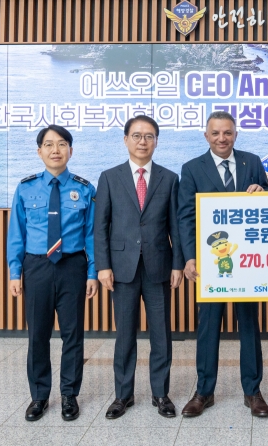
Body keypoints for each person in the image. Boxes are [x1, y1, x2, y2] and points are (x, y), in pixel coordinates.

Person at [178, 111, 268, 418]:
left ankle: (253, 391)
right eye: (215, 133)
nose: (222, 138)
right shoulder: (191, 169)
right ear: (206, 136)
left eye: (227, 133)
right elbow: (186, 217)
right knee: (208, 327)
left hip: (247, 263)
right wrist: (189, 256)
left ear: (235, 134)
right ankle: (204, 391)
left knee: (249, 325)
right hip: (209, 264)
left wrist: (263, 192)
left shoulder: (253, 162)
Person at [94, 115, 184, 419]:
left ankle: (161, 393)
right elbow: (100, 226)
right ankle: (123, 395)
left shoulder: (169, 178)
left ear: (156, 141)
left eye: (149, 136)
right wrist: (103, 266)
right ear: (125, 140)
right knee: (125, 335)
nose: (142, 141)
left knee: (161, 334)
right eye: (136, 136)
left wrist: (178, 265)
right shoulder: (109, 177)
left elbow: (176, 226)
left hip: (159, 266)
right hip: (121, 269)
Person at [7, 124, 98, 422]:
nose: (55, 150)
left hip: (73, 266)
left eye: (61, 144)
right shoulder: (26, 187)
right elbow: (16, 234)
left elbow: (91, 236)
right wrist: (14, 271)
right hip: (37, 267)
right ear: (39, 151)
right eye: (49, 144)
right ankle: (40, 396)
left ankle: (69, 395)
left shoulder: (85, 188)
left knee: (73, 334)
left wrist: (92, 272)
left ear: (71, 150)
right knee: (38, 335)